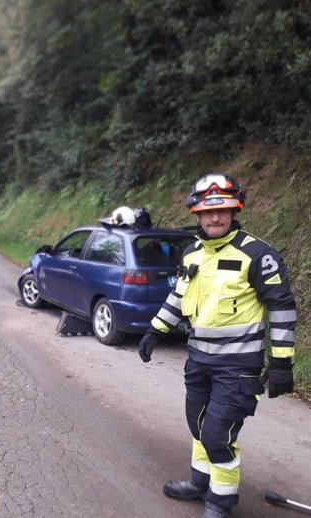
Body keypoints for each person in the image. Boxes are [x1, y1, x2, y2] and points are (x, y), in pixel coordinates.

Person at [138, 173, 297, 518]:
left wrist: (282, 362)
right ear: (196, 213)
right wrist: (155, 330)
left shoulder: (258, 254)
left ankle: (220, 503)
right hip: (198, 360)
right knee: (197, 425)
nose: (214, 217)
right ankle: (200, 482)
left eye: (223, 210)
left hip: (238, 367)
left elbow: (282, 308)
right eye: (207, 212)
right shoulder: (193, 251)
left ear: (235, 210)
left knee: (216, 434)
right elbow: (180, 295)